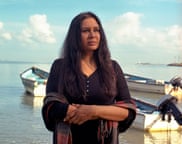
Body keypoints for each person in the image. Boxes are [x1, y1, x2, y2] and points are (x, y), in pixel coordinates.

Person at [42, 11, 136, 144]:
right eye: (86, 31)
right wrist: (68, 110)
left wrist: (93, 111)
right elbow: (50, 107)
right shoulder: (60, 66)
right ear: (75, 36)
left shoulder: (112, 68)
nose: (92, 35)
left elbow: (129, 111)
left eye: (96, 30)